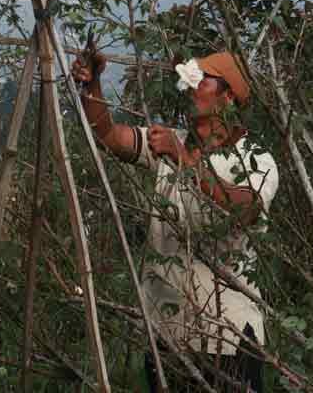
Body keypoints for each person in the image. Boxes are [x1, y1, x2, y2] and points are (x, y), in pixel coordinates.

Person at [71, 50, 279, 392]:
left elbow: (246, 206)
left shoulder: (254, 156)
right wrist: (91, 85)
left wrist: (182, 160)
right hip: (167, 334)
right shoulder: (171, 142)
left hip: (227, 338)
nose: (191, 88)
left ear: (228, 96)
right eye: (190, 80)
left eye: (202, 81)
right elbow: (108, 135)